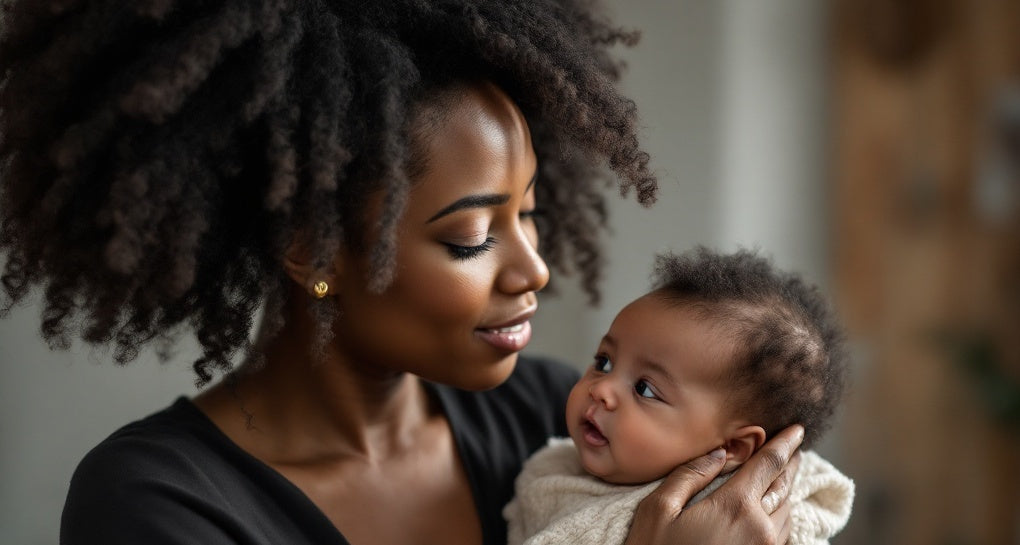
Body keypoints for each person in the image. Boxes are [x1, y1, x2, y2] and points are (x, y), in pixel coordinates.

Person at [0, 2, 804, 544]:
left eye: (528, 212)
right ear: (314, 252)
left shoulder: (560, 429)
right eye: (470, 237)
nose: (535, 268)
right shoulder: (157, 503)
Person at [504, 247, 854, 545]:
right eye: (604, 362)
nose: (601, 389)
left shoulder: (745, 521)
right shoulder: (553, 473)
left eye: (644, 389)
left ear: (731, 448)